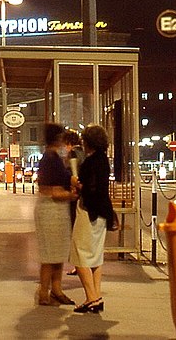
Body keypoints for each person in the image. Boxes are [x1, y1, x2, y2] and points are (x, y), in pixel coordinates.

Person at [69, 123, 114, 313]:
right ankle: (97, 295)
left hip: (88, 212)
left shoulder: (90, 162)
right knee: (95, 256)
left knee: (79, 255)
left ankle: (92, 298)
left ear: (88, 142)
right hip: (102, 213)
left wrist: (76, 184)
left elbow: (90, 189)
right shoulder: (104, 160)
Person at [34, 123, 77, 306]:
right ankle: (46, 292)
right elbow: (51, 191)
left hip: (53, 210)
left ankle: (55, 291)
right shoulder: (51, 159)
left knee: (56, 254)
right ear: (57, 138)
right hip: (52, 209)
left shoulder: (51, 157)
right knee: (51, 255)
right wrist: (72, 195)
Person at [64, 130, 85, 276]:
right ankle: (82, 265)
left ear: (69, 143)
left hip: (75, 195)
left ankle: (79, 266)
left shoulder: (73, 154)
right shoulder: (84, 153)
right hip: (84, 196)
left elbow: (71, 174)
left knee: (75, 232)